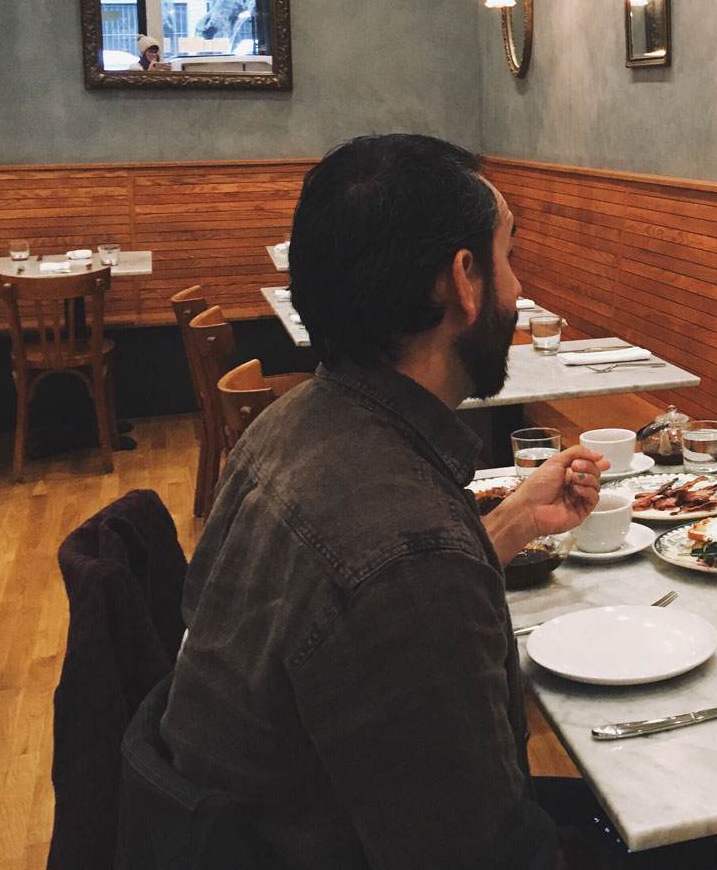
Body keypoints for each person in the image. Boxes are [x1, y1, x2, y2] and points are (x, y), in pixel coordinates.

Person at [159, 134, 654, 868]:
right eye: (508, 254)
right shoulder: (408, 557)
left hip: (268, 828)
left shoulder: (289, 426)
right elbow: (478, 852)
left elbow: (349, 606)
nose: (517, 289)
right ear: (462, 280)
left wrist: (513, 519)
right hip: (333, 844)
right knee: (657, 817)